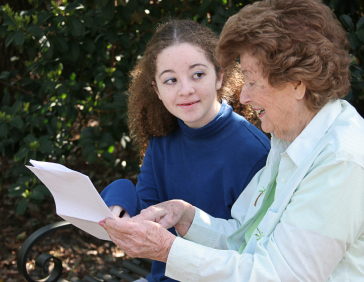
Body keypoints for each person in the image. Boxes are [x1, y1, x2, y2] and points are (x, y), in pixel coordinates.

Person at [99, 0, 364, 281]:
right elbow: (242, 236)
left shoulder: (343, 163)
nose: (243, 96)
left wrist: (168, 250)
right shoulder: (291, 142)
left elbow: (277, 275)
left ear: (297, 83)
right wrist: (185, 216)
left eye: (253, 82)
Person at [99, 19, 270, 282]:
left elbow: (252, 253)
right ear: (156, 90)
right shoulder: (163, 139)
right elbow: (148, 213)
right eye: (170, 80)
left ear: (219, 76)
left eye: (198, 74)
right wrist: (118, 199)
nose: (186, 90)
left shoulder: (253, 151)